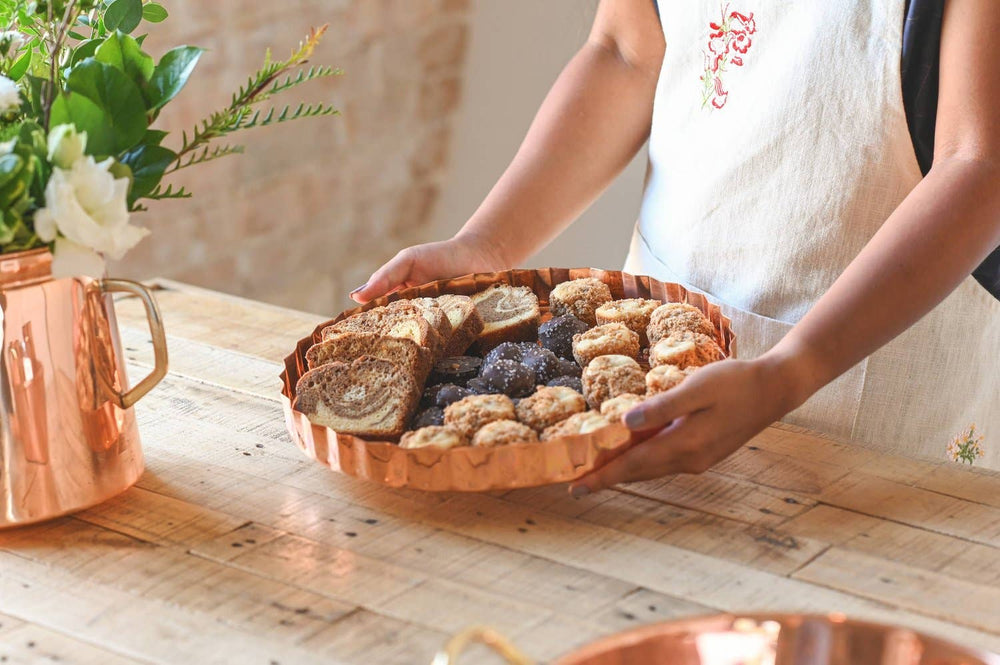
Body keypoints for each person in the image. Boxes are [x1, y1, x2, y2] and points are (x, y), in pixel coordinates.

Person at [351, 0, 1000, 489]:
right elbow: (627, 50)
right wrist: (485, 246)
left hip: (870, 428)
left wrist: (792, 369)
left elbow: (979, 167)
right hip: (644, 403)